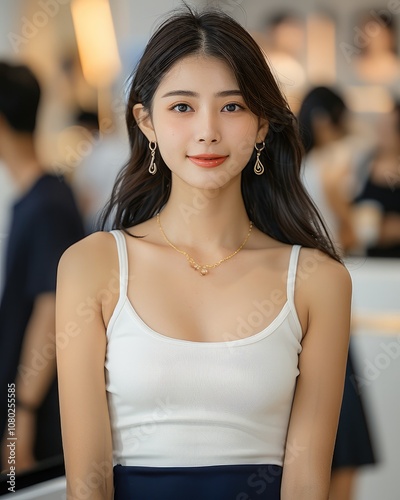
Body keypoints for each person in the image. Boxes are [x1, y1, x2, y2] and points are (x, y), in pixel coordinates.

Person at [56, 8, 351, 500]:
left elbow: (306, 484)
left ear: (262, 125)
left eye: (232, 107)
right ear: (145, 122)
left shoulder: (319, 281)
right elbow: (87, 485)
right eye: (182, 107)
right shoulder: (92, 266)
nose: (208, 130)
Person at [0, 62, 85, 473]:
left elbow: (51, 314)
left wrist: (21, 419)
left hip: (38, 414)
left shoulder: (48, 205)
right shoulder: (34, 198)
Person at [297, 86, 377, 500]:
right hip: (329, 297)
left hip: (298, 302)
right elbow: (349, 232)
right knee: (342, 425)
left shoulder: (294, 166)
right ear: (328, 120)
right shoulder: (332, 163)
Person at [353, 101, 400, 258]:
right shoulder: (365, 163)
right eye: (381, 125)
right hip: (371, 265)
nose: (381, 131)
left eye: (389, 128)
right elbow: (352, 225)